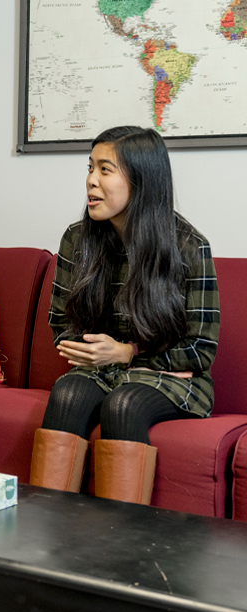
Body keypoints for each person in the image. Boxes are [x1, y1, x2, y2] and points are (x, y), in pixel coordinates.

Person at [28, 125, 219, 505]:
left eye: (105, 170)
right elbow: (61, 326)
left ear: (142, 180)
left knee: (124, 404)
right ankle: (46, 534)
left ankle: (122, 550)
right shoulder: (76, 239)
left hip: (169, 377)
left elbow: (201, 350)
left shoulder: (189, 246)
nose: (90, 181)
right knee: (66, 393)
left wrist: (128, 353)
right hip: (100, 371)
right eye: (90, 167)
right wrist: (90, 350)